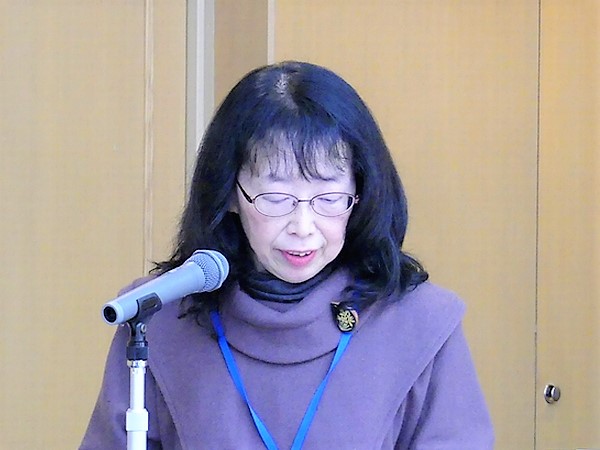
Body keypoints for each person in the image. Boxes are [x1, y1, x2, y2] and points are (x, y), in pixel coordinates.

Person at [81, 61, 494, 449]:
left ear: (361, 193)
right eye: (276, 198)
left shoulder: (420, 321)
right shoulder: (158, 317)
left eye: (329, 198)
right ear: (230, 194)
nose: (303, 226)